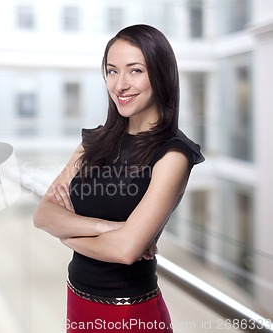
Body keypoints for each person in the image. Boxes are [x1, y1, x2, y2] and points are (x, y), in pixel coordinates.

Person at [33, 24, 204, 333]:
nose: (120, 85)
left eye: (135, 71)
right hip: (77, 300)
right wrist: (109, 228)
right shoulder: (93, 142)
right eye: (112, 71)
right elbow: (43, 214)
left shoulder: (173, 155)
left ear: (161, 75)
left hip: (130, 314)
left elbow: (125, 251)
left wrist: (66, 233)